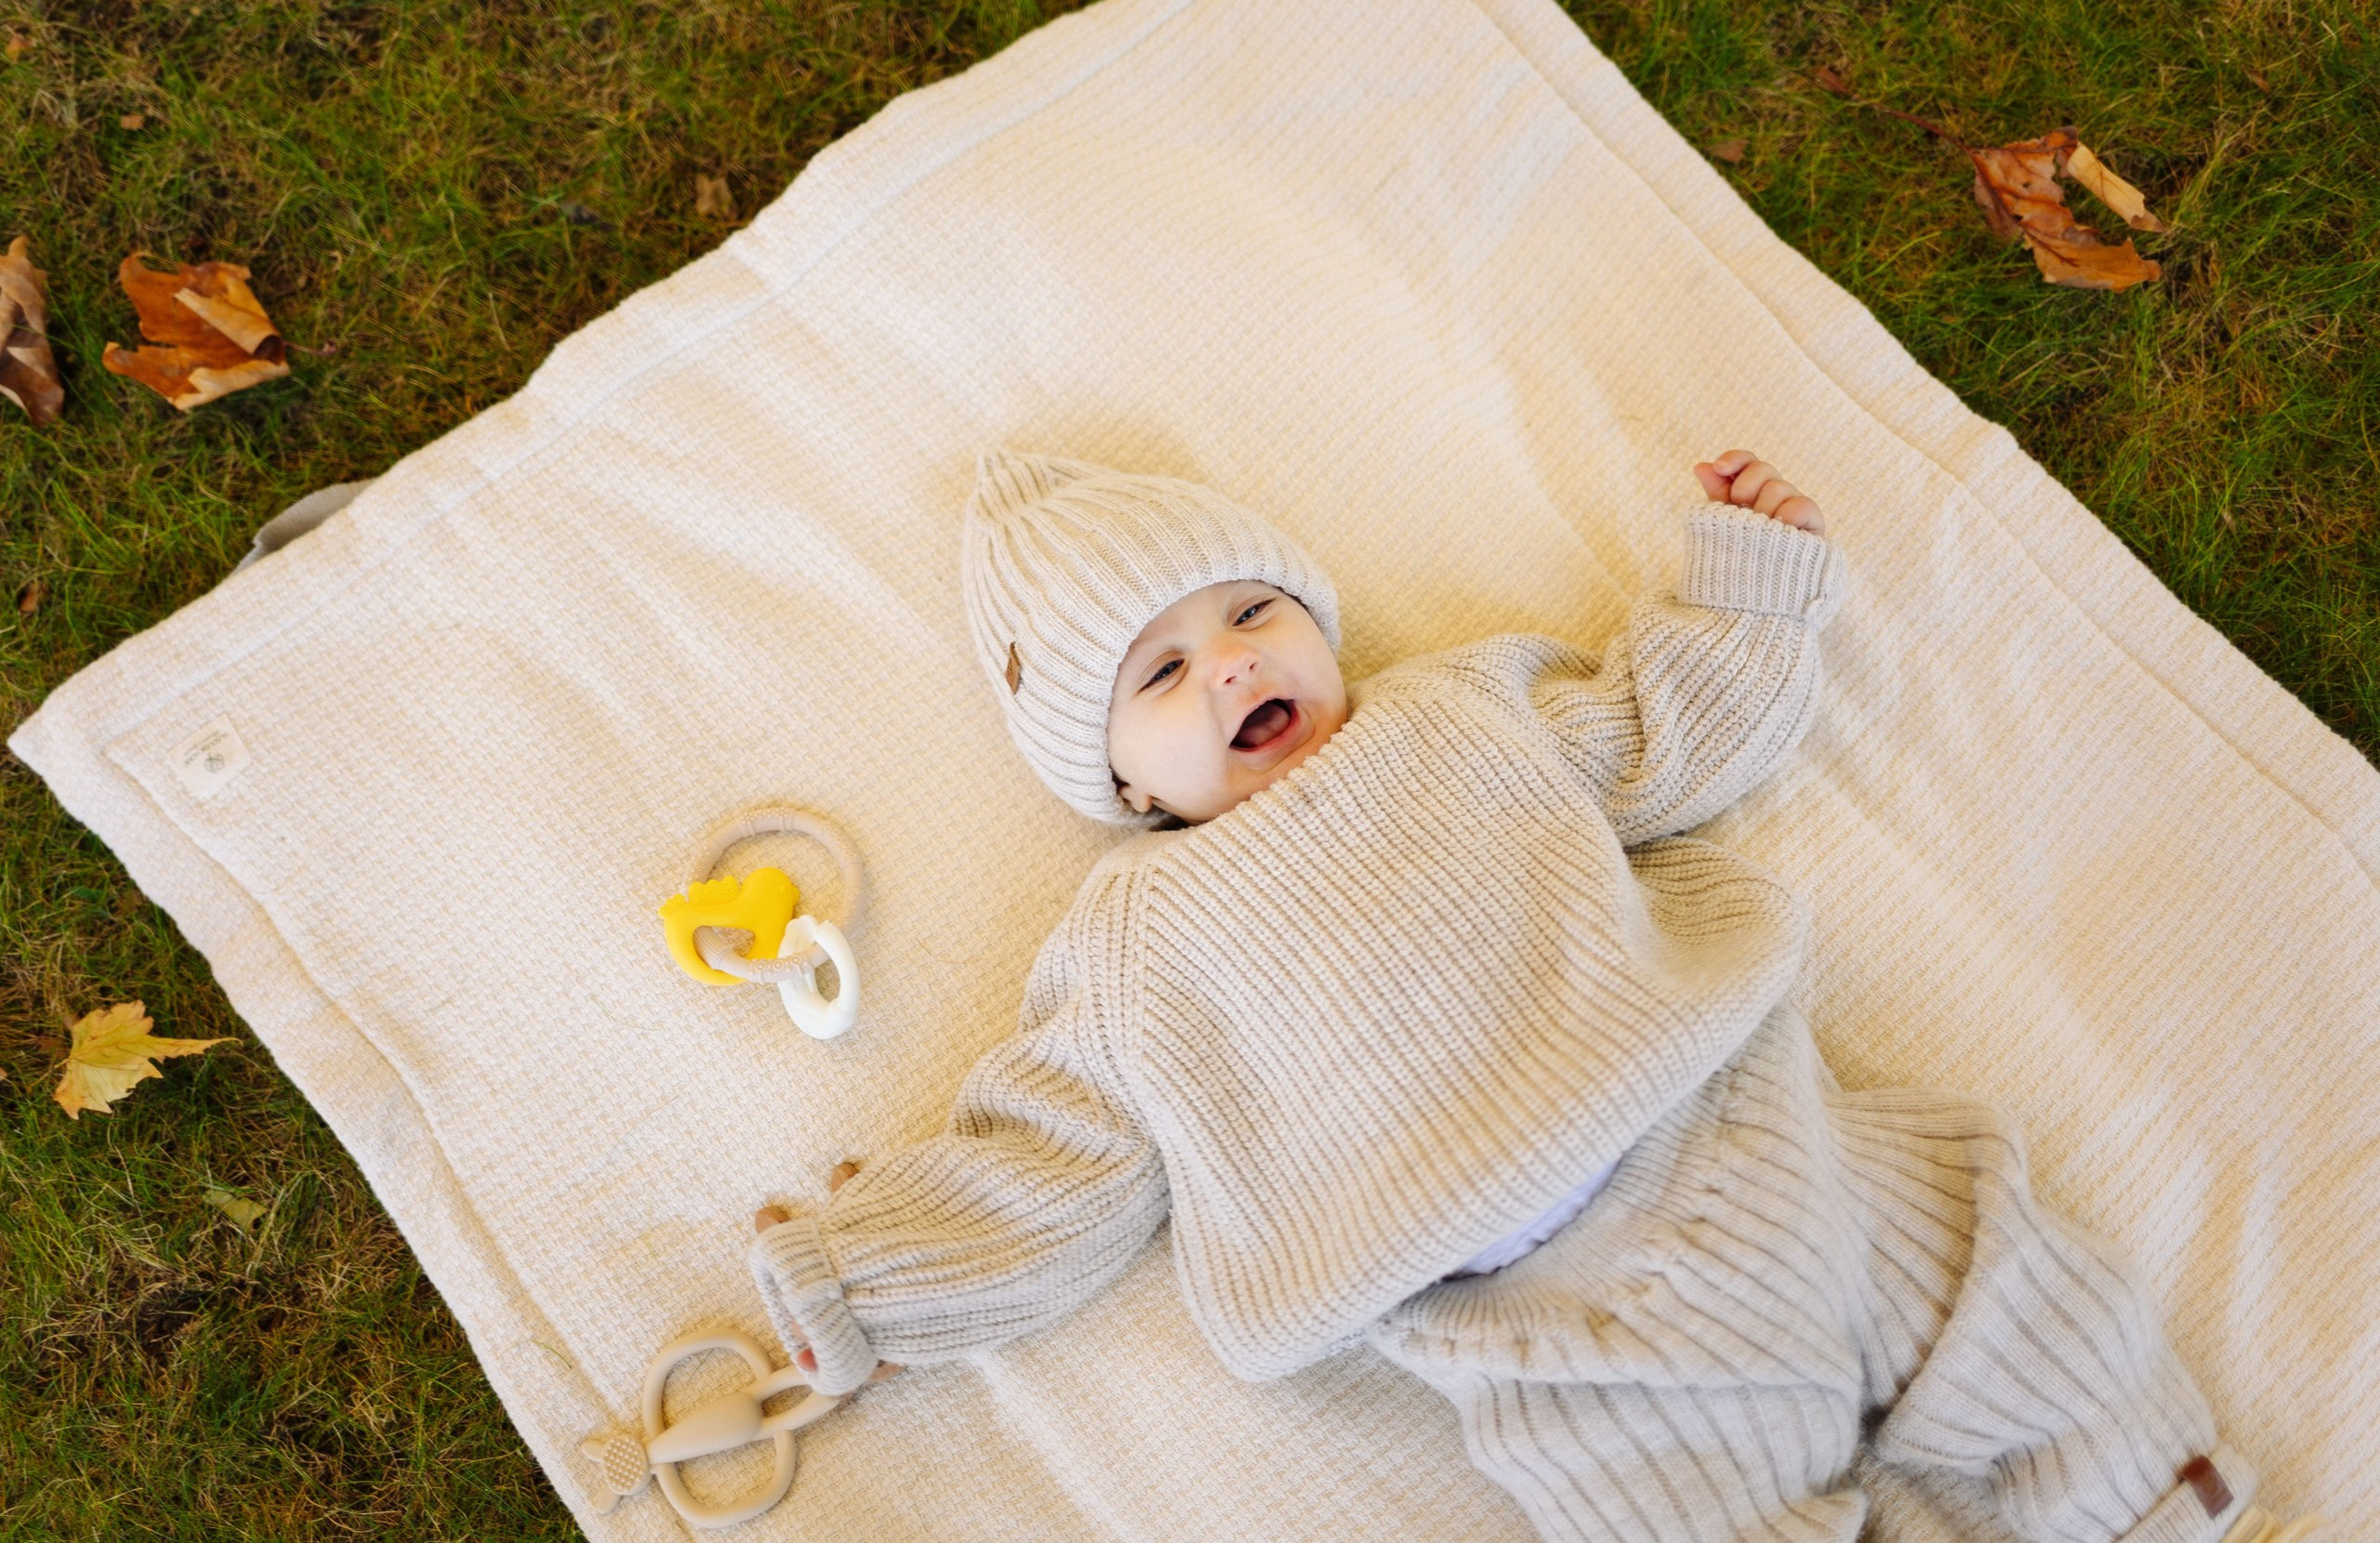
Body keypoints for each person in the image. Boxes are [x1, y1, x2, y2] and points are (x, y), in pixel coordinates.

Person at [748, 448, 2312, 1543]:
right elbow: (1056, 1160)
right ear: (1120, 786)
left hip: (1751, 1142)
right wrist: (872, 1279)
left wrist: (1749, 587)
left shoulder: (1465, 719)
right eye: (1158, 677)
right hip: (1539, 1329)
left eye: (1250, 613)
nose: (1228, 666)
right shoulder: (1134, 945)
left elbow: (1663, 734)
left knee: (2000, 1276)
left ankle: (2153, 1504)